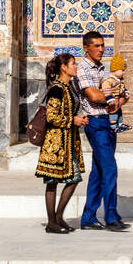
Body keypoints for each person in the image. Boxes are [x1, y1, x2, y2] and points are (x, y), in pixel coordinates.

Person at [76, 30, 130, 231]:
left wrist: (117, 99)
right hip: (96, 122)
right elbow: (93, 95)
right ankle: (111, 215)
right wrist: (111, 97)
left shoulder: (102, 69)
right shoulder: (83, 69)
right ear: (86, 48)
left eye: (102, 45)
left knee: (99, 171)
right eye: (96, 46)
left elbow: (120, 94)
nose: (101, 49)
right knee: (109, 168)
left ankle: (88, 217)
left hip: (109, 121)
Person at [35, 52, 88, 233]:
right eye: (73, 64)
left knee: (73, 179)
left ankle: (58, 217)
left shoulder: (70, 87)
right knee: (52, 182)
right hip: (55, 144)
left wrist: (78, 119)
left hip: (69, 143)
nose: (76, 66)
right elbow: (51, 117)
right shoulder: (57, 89)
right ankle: (52, 222)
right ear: (63, 67)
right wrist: (73, 120)